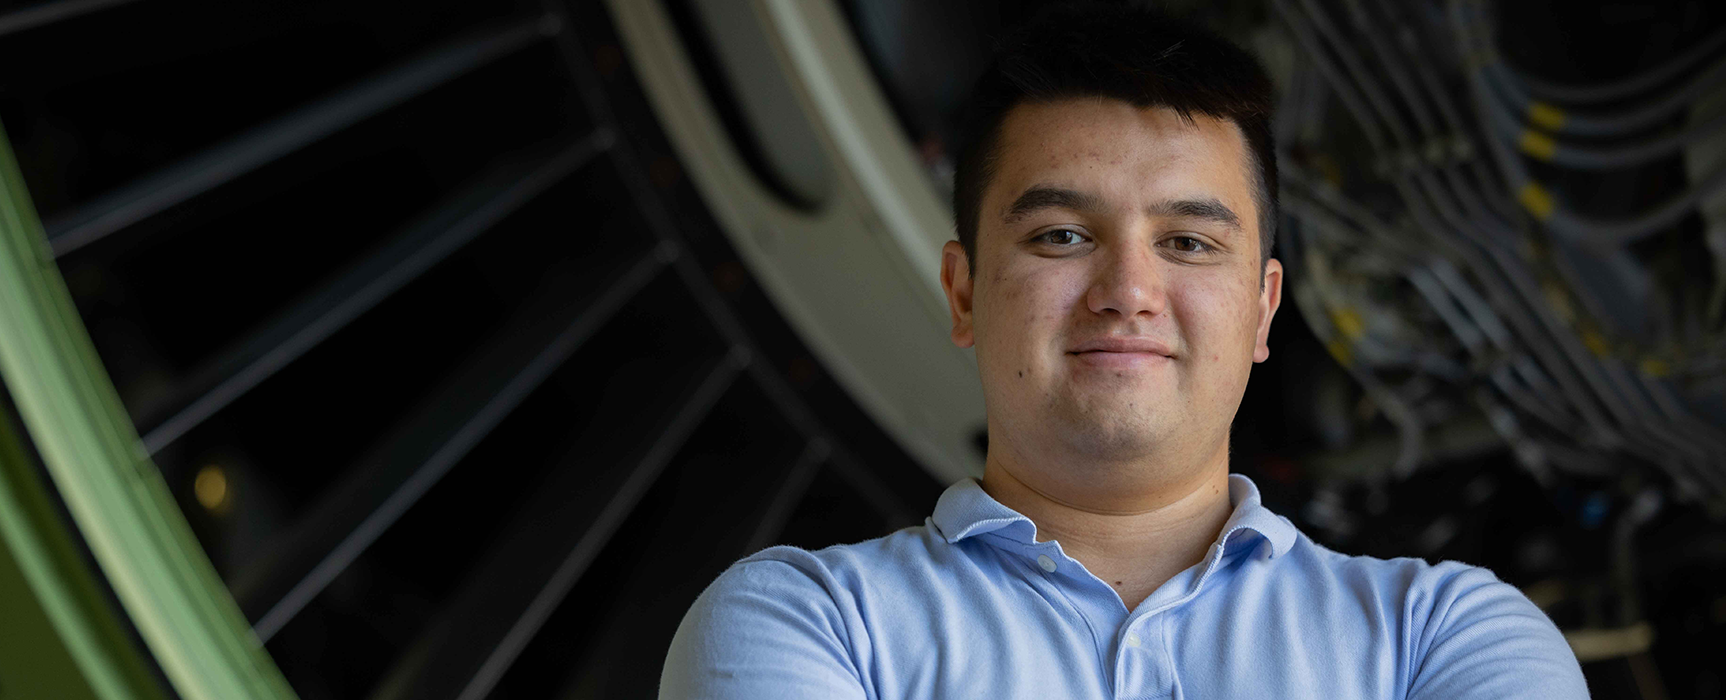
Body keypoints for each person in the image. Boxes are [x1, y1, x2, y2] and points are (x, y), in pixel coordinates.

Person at [657, 3, 1588, 698]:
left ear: (1264, 311)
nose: (1128, 292)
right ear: (965, 290)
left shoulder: (1455, 638)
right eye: (1062, 236)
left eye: (1188, 242)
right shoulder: (796, 626)